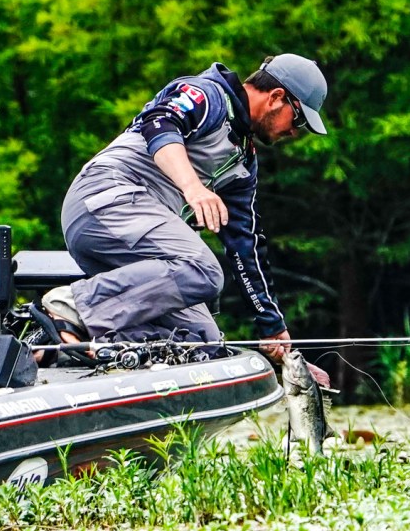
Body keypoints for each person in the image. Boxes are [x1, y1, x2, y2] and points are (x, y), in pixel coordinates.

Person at [40, 53, 329, 369]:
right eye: (298, 120)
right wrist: (193, 187)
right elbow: (159, 123)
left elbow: (245, 243)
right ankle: (71, 305)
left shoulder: (243, 160)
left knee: (202, 341)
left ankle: (59, 348)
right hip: (103, 198)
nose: (294, 132)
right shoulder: (208, 94)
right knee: (203, 269)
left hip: (134, 248)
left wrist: (271, 323)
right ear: (275, 97)